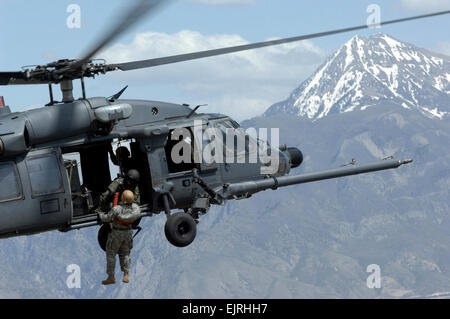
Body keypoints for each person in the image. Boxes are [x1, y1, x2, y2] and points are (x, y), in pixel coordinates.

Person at [98, 190, 142, 285]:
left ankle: (111, 277)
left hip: (116, 234)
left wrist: (100, 214)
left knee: (111, 254)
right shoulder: (136, 209)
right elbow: (138, 214)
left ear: (123, 198)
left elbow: (106, 218)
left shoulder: (117, 209)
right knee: (125, 254)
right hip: (128, 234)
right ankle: (126, 275)